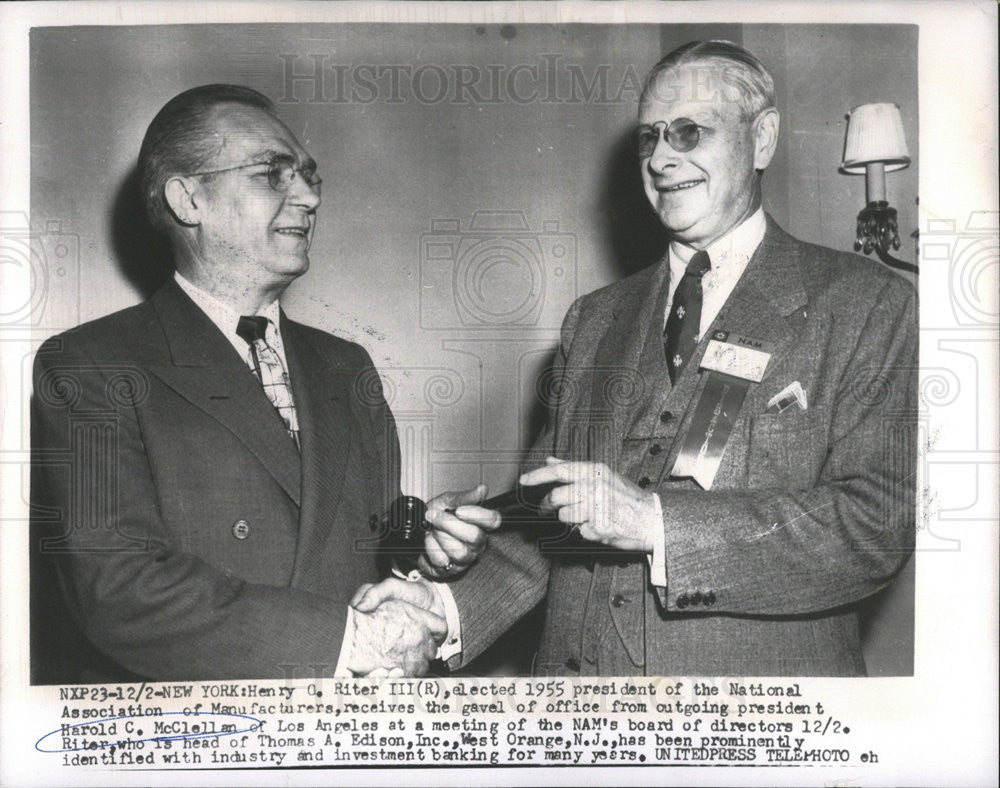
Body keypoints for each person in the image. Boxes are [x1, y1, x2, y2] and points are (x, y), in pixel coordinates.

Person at [356, 40, 918, 677]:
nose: (661, 159)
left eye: (688, 132)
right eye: (651, 137)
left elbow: (875, 524)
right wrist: (440, 611)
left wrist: (656, 524)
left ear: (762, 139)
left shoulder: (865, 303)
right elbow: (550, 531)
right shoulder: (594, 320)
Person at [29, 84, 495, 683]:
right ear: (188, 198)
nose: (306, 196)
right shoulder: (90, 366)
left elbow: (362, 561)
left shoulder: (347, 367)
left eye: (307, 175)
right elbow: (119, 588)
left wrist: (426, 555)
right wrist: (347, 641)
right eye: (273, 174)